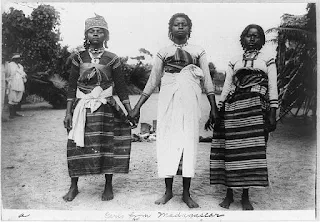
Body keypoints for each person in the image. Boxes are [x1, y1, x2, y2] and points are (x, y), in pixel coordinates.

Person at [132, 13, 219, 208]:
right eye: (176, 25)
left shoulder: (198, 51)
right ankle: (168, 191)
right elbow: (153, 80)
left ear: (190, 29)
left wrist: (214, 108)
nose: (180, 27)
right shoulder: (163, 52)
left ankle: (186, 193)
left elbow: (207, 80)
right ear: (170, 29)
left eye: (184, 25)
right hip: (168, 99)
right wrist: (137, 107)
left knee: (189, 141)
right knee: (167, 141)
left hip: (190, 99)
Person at [63, 14, 136, 202]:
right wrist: (68, 112)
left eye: (100, 31)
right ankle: (73, 186)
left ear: (106, 35)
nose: (96, 34)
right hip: (82, 108)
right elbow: (71, 86)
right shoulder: (78, 57)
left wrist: (129, 110)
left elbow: (120, 87)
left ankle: (108, 185)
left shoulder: (112, 59)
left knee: (107, 145)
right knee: (76, 146)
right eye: (92, 31)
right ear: (86, 35)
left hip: (105, 109)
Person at [209, 24, 278, 210]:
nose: (252, 39)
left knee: (250, 150)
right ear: (243, 38)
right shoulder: (234, 61)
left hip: (257, 109)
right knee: (232, 151)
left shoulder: (268, 60)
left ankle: (245, 196)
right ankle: (229, 194)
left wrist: (273, 111)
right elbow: (227, 86)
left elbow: (272, 86)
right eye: (249, 36)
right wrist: (217, 108)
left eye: (256, 36)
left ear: (262, 40)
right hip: (235, 108)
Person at [5, 53, 27, 119]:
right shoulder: (9, 65)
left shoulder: (20, 66)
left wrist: (24, 77)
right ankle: (11, 114)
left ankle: (14, 113)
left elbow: (23, 74)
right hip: (12, 83)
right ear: (13, 59)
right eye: (17, 59)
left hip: (20, 83)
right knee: (12, 98)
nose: (18, 60)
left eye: (19, 59)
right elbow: (7, 74)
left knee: (17, 99)